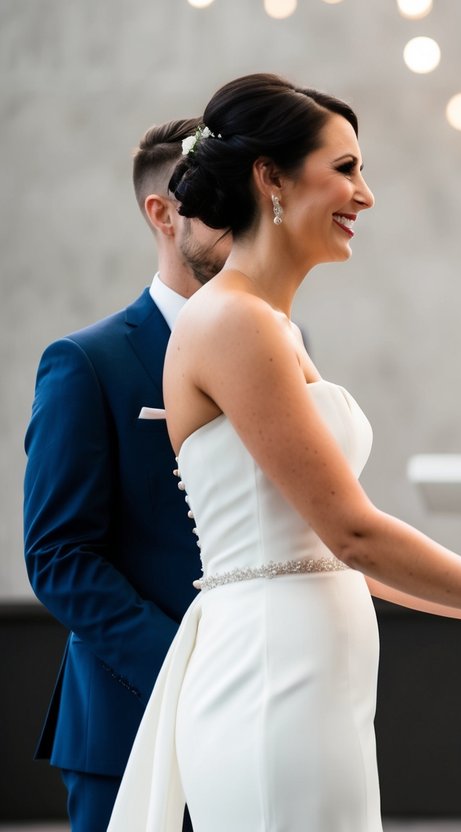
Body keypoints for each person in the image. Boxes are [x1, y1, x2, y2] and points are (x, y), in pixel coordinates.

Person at [105, 74, 461, 832]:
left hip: (313, 677)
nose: (365, 194)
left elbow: (332, 553)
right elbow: (355, 532)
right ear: (268, 177)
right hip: (270, 677)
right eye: (345, 168)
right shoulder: (234, 324)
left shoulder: (270, 328)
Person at [22, 117, 231, 832]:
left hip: (256, 719)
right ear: (162, 213)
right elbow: (58, 557)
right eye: (222, 199)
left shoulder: (286, 347)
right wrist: (188, 667)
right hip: (131, 715)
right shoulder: (88, 362)